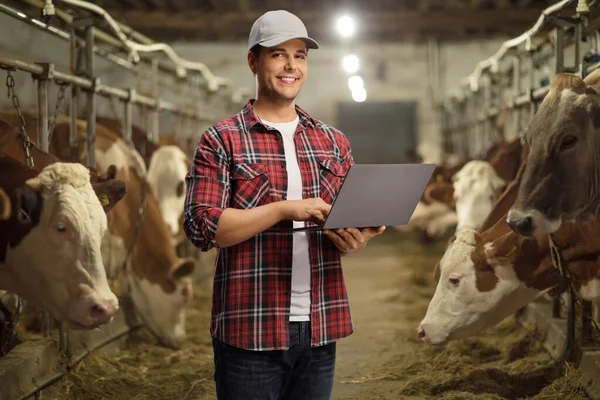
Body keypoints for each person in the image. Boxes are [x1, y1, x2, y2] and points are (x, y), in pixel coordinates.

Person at [183, 9, 385, 400]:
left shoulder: (332, 141)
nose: (291, 65)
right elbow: (203, 227)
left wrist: (359, 237)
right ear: (253, 61)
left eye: (300, 55)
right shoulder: (222, 140)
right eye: (278, 54)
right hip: (250, 329)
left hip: (321, 326)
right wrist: (284, 209)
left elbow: (352, 216)